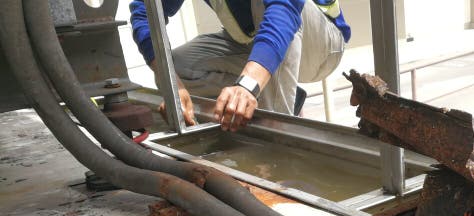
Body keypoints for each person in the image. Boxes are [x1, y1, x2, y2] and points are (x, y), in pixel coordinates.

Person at [129, 0, 351, 131]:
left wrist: (247, 85)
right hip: (253, 39)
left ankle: (281, 134)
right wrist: (172, 86)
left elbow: (283, 10)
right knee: (176, 66)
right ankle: (280, 98)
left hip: (322, 45)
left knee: (265, 4)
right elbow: (145, 12)